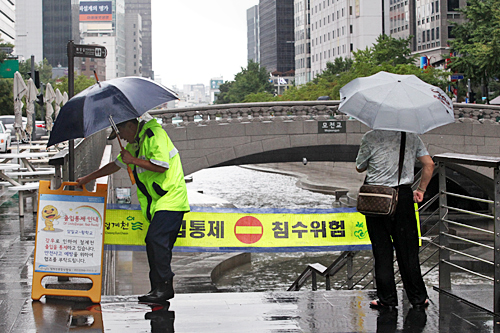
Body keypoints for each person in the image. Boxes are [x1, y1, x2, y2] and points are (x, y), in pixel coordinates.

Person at [76, 117, 190, 303]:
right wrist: (88, 177)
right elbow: (115, 165)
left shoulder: (154, 134)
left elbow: (162, 166)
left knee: (155, 240)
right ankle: (158, 289)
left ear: (131, 126)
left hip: (172, 198)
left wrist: (134, 160)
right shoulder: (135, 144)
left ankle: (164, 286)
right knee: (157, 245)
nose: (122, 138)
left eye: (121, 133)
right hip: (158, 202)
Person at [355, 129, 434, 311]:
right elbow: (429, 164)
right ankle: (418, 297)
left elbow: (360, 166)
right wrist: (420, 190)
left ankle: (387, 299)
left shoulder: (370, 136)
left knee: (381, 250)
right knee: (408, 249)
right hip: (402, 196)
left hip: (376, 198)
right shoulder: (411, 136)